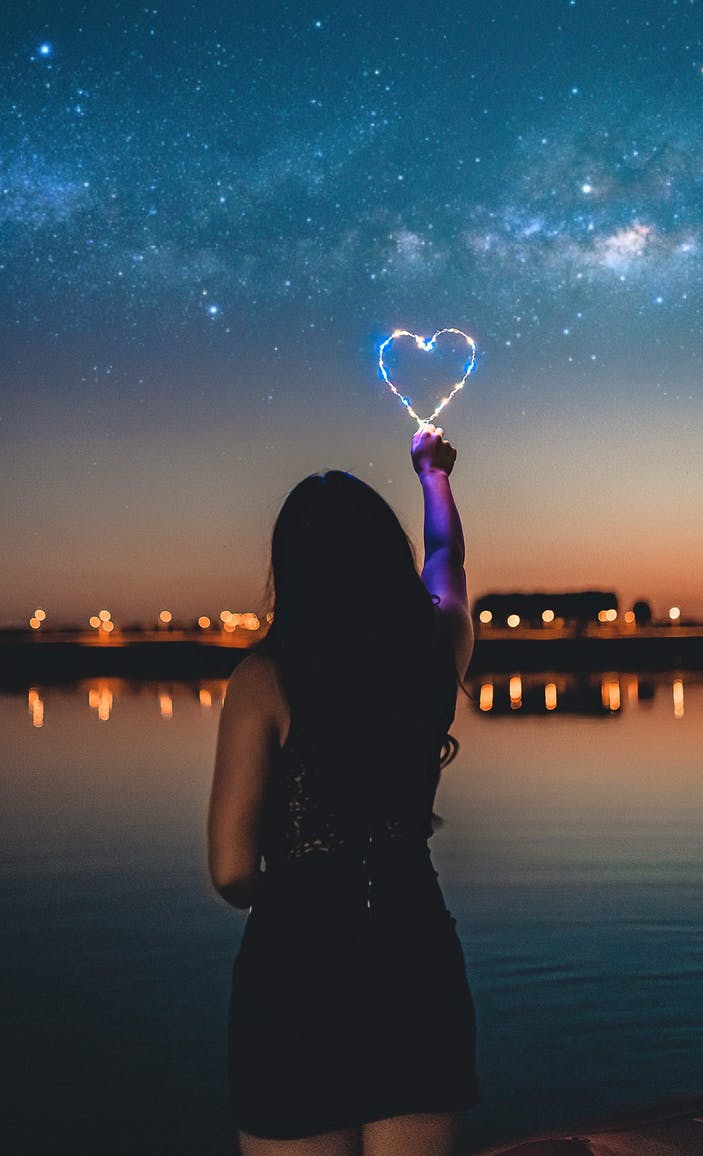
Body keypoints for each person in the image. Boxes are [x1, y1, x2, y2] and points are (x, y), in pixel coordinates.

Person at [207, 424, 480, 1156]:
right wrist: (433, 478)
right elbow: (447, 563)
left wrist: (299, 889)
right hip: (415, 957)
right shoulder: (434, 650)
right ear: (387, 558)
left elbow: (231, 871)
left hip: (296, 970)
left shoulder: (264, 679)